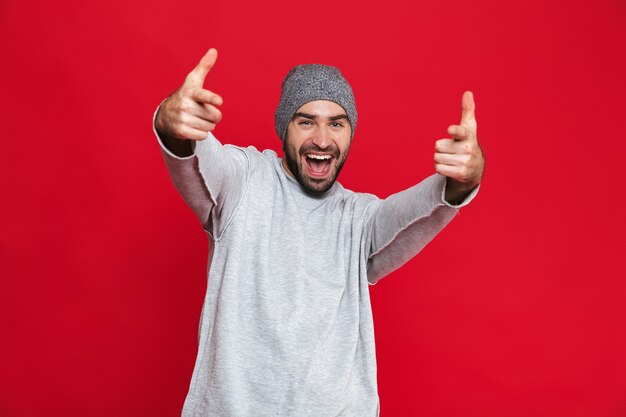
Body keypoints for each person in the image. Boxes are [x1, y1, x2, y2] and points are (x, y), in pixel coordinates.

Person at [154, 48, 484, 417]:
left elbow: (418, 210)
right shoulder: (242, 181)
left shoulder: (359, 219)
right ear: (284, 128)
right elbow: (196, 155)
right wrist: (173, 121)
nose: (323, 140)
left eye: (337, 123)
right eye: (306, 121)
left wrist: (460, 180)